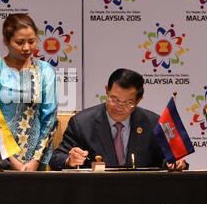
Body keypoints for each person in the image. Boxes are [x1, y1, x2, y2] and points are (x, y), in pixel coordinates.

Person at [50, 68, 187, 171]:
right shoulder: (82, 123)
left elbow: (167, 160)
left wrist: (175, 163)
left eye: (127, 103)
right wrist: (69, 160)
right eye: (114, 99)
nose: (119, 107)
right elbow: (57, 158)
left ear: (139, 100)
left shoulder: (153, 123)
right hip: (96, 195)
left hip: (141, 195)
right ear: (106, 91)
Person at [0, 13, 58, 171]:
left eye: (32, 41)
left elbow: (50, 118)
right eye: (19, 42)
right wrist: (10, 160)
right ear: (6, 41)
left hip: (35, 160)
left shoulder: (45, 70)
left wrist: (35, 160)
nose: (27, 48)